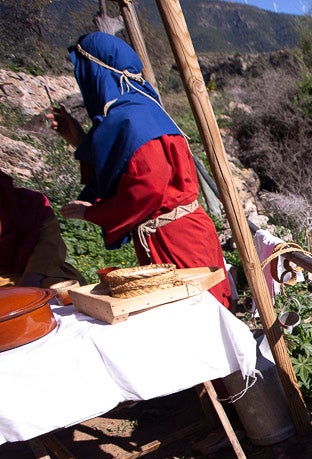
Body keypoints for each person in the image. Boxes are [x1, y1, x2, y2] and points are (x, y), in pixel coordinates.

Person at [48, 32, 231, 309]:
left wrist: (92, 212)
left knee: (197, 318)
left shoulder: (132, 118)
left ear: (96, 73)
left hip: (176, 241)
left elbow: (146, 188)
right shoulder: (143, 106)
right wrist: (79, 139)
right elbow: (125, 165)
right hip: (176, 234)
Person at [0, 169, 85, 289]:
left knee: (63, 291)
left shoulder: (32, 202)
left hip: (41, 274)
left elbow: (48, 244)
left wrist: (31, 280)